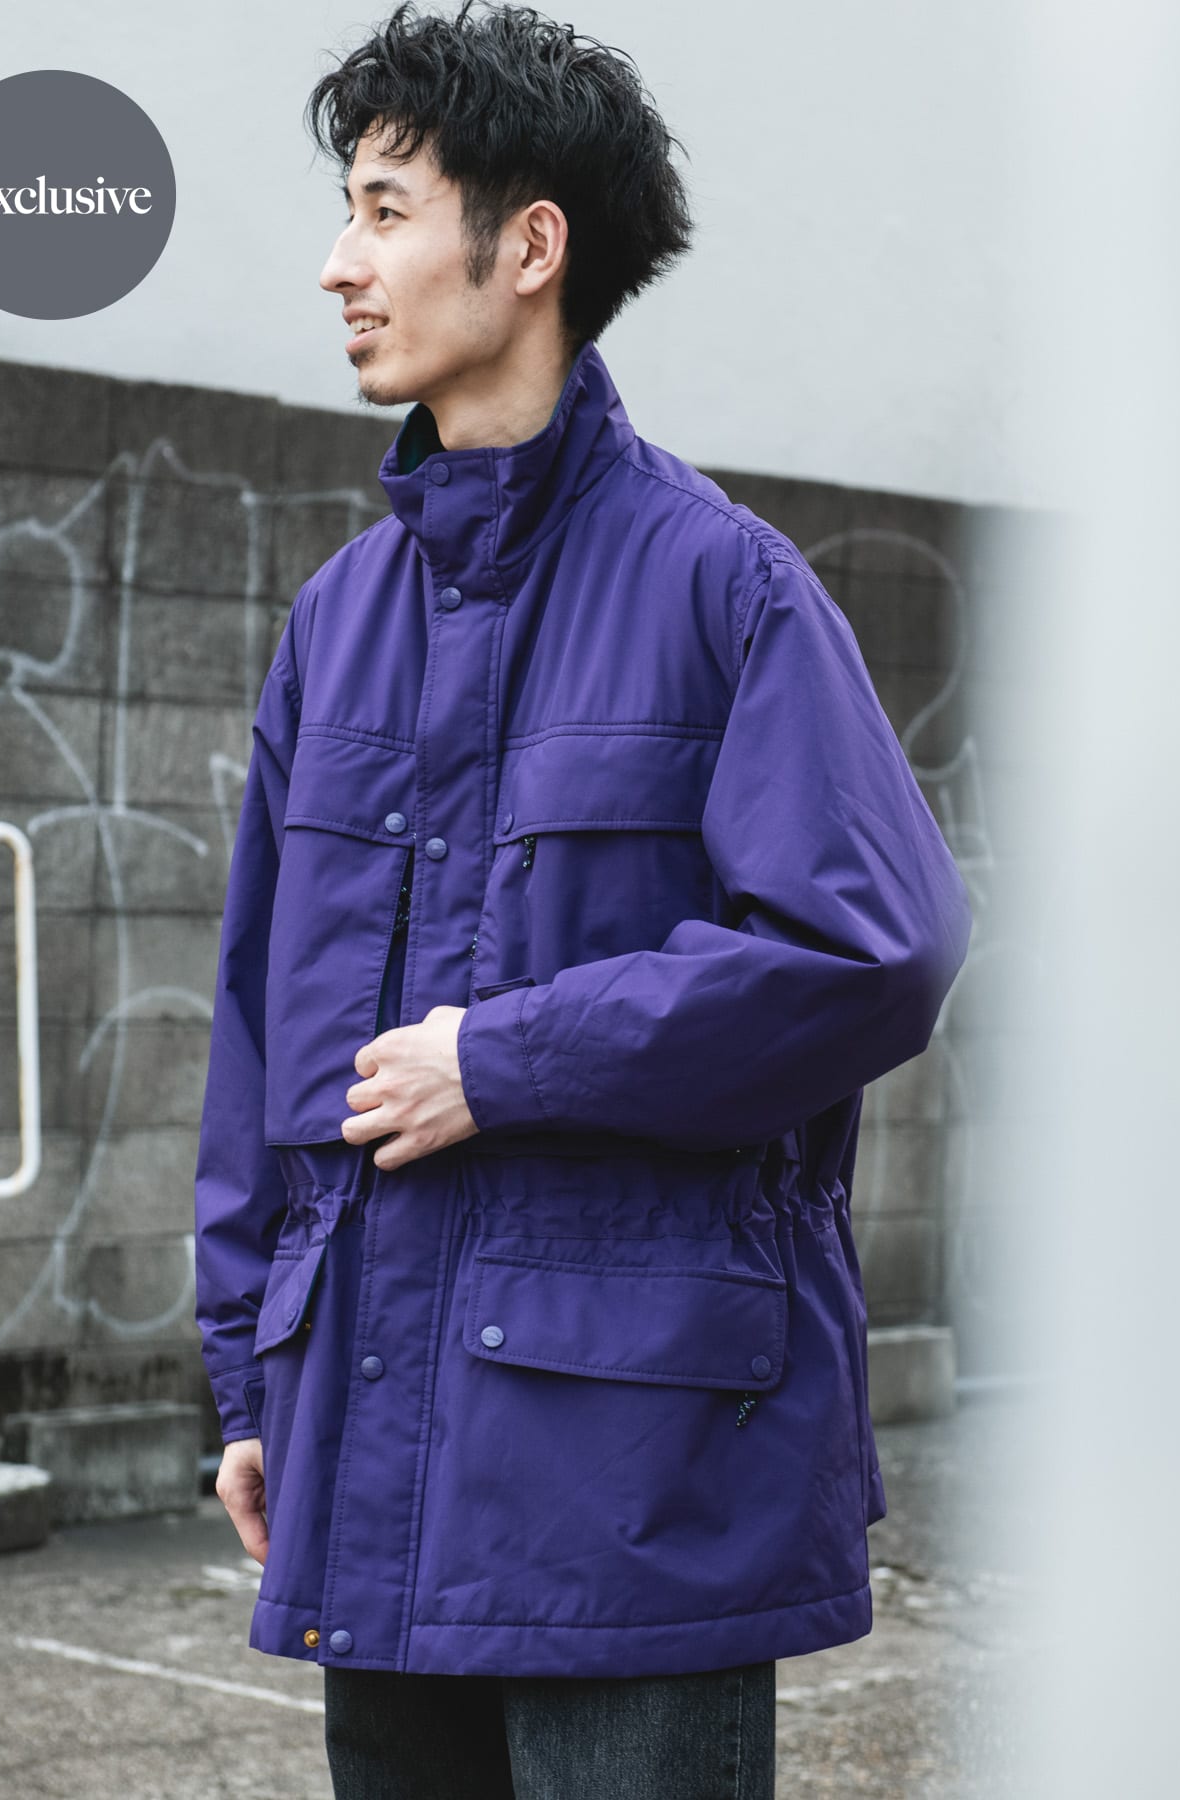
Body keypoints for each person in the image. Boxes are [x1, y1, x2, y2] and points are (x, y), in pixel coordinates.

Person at [193, 3, 973, 1794]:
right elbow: (256, 1019)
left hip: (631, 1484)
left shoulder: (727, 591)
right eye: (346, 211)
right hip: (364, 1450)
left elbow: (877, 945)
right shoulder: (341, 622)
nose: (339, 264)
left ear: (529, 246)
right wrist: (248, 1374)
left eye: (386, 210)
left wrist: (508, 1059)